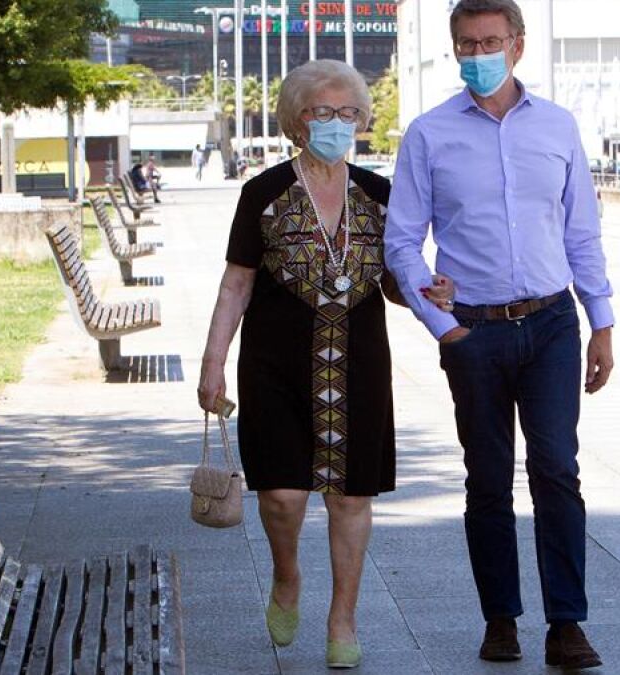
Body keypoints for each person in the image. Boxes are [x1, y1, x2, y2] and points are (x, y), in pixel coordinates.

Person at [384, 0, 613, 669]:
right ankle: (501, 619)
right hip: (474, 333)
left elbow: (581, 231)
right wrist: (443, 325)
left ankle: (567, 623)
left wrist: (601, 321)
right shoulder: (428, 134)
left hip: (551, 323)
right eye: (466, 44)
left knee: (557, 470)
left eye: (490, 41)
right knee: (486, 479)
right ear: (454, 49)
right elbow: (402, 242)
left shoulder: (558, 126)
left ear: (517, 44)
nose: (478, 54)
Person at [198, 59, 447, 669]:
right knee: (282, 496)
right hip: (275, 364)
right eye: (323, 112)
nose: (337, 123)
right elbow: (236, 283)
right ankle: (287, 576)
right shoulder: (263, 193)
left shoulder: (380, 194)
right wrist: (212, 362)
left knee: (351, 497)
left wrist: (429, 291)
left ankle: (343, 618)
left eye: (348, 112)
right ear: (297, 120)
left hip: (359, 364)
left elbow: (395, 281)